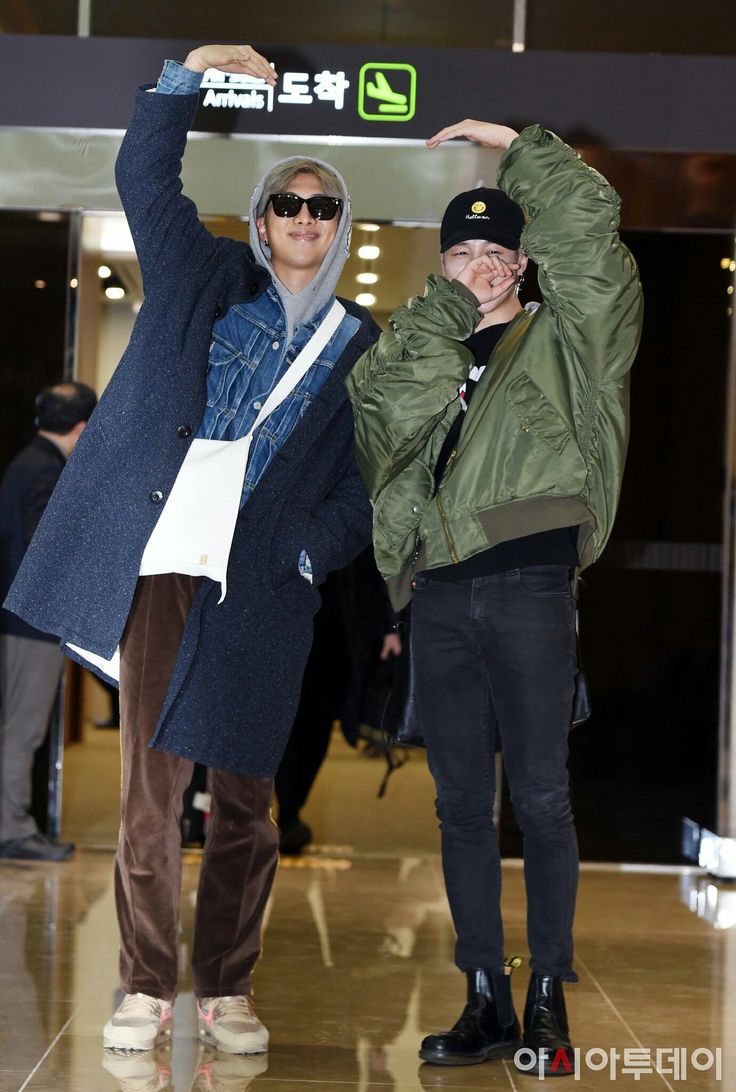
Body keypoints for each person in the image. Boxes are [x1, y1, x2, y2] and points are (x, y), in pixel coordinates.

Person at [5, 42, 379, 1054]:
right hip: (166, 559)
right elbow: (143, 174)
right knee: (151, 793)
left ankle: (225, 987)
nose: (305, 219)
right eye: (288, 205)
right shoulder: (202, 275)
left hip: (263, 582)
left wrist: (308, 547)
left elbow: (365, 489)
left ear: (340, 229)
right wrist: (189, 77)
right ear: (260, 222)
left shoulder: (358, 343)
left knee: (249, 803)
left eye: (324, 209)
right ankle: (141, 983)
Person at [347, 118, 643, 1077]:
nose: (479, 265)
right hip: (440, 593)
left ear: (523, 261)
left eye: (496, 250)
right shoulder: (416, 343)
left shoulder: (571, 340)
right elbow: (380, 421)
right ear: (443, 264)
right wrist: (441, 315)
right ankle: (485, 996)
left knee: (545, 800)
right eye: (461, 252)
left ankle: (549, 995)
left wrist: (521, 147)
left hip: (528, 585)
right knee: (461, 807)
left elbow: (593, 242)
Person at [0, 382, 97, 862]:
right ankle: (12, 830)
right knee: (24, 729)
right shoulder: (44, 471)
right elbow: (44, 552)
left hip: (20, 619)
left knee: (18, 727)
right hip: (32, 623)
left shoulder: (28, 462)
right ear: (82, 428)